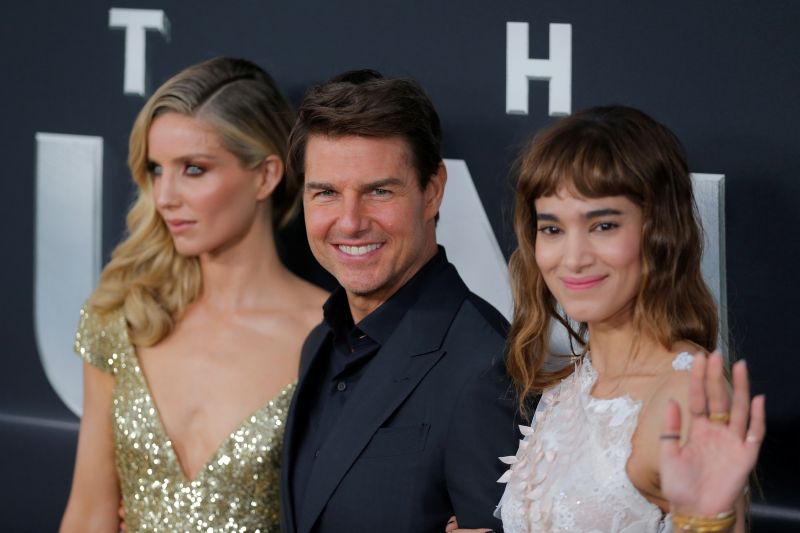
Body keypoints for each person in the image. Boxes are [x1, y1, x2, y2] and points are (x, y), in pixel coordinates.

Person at [448, 106, 765, 533]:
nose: (574, 259)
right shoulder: (574, 384)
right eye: (553, 229)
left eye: (603, 226)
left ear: (660, 232)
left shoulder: (686, 398)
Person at [60, 57, 327, 532]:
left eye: (194, 169)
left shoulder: (330, 338)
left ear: (266, 176)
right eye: (157, 169)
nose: (165, 196)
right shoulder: (125, 319)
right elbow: (87, 515)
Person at [278, 70, 519, 532]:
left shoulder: (485, 369)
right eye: (326, 193)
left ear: (432, 191)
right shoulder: (319, 346)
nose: (349, 223)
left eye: (379, 191)